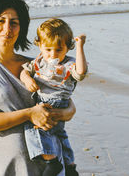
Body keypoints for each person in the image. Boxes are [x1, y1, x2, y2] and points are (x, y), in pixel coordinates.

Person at [0, 0, 76, 175]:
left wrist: (66, 112)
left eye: (14, 22)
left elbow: (65, 99)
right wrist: (29, 114)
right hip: (3, 168)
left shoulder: (38, 66)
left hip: (48, 168)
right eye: (0, 21)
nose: (7, 28)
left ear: (21, 28)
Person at [20, 18, 88, 176]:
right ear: (39, 45)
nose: (53, 54)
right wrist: (27, 79)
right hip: (52, 101)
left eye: (59, 49)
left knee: (35, 127)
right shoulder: (39, 61)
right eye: (48, 49)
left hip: (53, 101)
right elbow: (25, 71)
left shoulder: (69, 64)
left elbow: (81, 72)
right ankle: (70, 165)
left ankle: (51, 161)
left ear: (67, 47)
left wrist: (80, 46)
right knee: (58, 133)